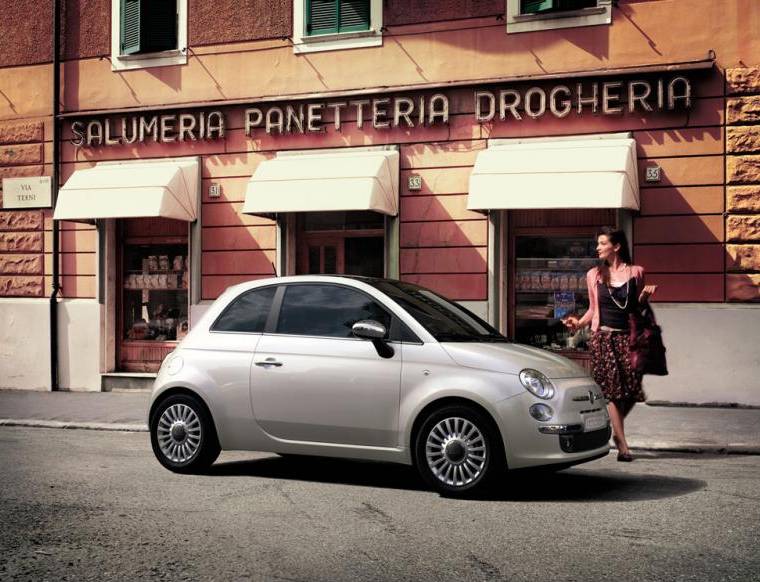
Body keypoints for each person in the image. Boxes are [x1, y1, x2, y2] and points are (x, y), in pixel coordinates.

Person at [563, 227, 657, 462]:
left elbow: (637, 307)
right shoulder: (594, 274)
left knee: (634, 391)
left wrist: (645, 297)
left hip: (629, 338)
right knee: (615, 393)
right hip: (604, 339)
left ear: (616, 246)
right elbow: (593, 309)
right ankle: (622, 443)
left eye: (602, 243)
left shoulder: (636, 272)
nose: (597, 248)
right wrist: (578, 324)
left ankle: (615, 426)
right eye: (598, 244)